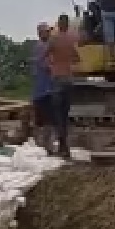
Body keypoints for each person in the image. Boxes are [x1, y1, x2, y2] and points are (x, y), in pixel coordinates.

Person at [46, 14, 80, 158]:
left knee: (57, 114)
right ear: (68, 25)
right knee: (65, 114)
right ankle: (64, 147)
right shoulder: (71, 40)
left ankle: (62, 145)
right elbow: (77, 58)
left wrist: (51, 64)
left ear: (59, 24)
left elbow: (45, 55)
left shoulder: (54, 39)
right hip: (68, 80)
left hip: (57, 78)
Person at [31, 22, 55, 151]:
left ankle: (42, 145)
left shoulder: (43, 46)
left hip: (43, 90)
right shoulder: (42, 47)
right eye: (47, 31)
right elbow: (47, 66)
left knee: (43, 120)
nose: (50, 33)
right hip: (44, 90)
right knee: (47, 120)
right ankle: (45, 146)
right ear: (41, 33)